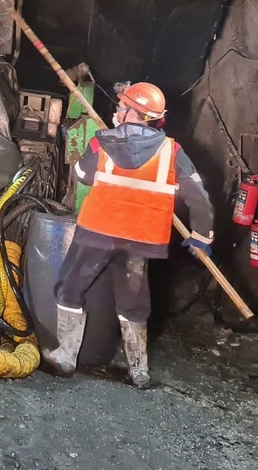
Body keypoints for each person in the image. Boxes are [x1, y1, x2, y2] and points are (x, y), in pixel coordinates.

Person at [44, 81, 214, 388]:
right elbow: (199, 197)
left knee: (70, 289)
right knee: (132, 303)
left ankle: (66, 356)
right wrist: (202, 236)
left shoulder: (101, 142)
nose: (117, 110)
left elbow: (82, 174)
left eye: (122, 107)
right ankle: (139, 372)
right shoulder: (172, 151)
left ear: (133, 113)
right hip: (141, 240)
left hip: (97, 232)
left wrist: (101, 148)